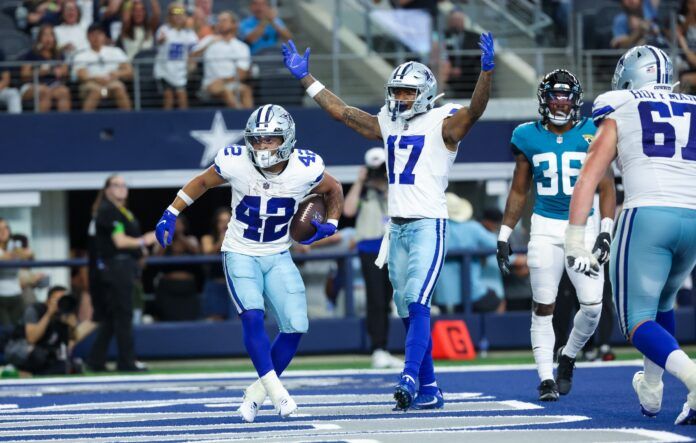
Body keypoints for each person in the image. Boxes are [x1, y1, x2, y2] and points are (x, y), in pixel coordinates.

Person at [282, 32, 495, 410]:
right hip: (394, 228)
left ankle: (409, 378)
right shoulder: (390, 122)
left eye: (407, 93)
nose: (400, 99)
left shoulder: (443, 121)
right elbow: (343, 113)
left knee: (417, 302)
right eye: (396, 92)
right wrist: (306, 79)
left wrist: (486, 72)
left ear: (425, 93)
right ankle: (429, 388)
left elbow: (475, 111)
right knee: (406, 308)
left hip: (429, 223)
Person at [154, 104, 344, 421]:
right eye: (256, 139)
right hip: (240, 251)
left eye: (269, 140)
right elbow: (201, 182)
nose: (261, 146)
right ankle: (279, 394)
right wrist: (171, 212)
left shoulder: (306, 167)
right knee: (252, 317)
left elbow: (333, 188)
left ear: (286, 139)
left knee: (296, 325)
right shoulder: (237, 162)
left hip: (278, 252)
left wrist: (333, 222)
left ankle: (255, 395)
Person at [564, 45, 696, 425]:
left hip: (648, 214)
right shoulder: (691, 104)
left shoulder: (620, 103)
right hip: (691, 216)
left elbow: (589, 176)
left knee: (635, 321)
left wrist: (575, 238)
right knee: (664, 304)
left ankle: (692, 379)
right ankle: (652, 392)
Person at [496, 69, 616, 401]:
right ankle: (546, 378)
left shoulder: (594, 130)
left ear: (576, 101)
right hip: (546, 229)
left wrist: (606, 232)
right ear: (544, 100)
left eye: (566, 98)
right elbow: (519, 191)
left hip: (585, 228)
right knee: (543, 305)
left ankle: (568, 355)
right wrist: (505, 234)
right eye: (554, 97)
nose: (560, 104)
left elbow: (607, 187)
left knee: (592, 307)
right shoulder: (526, 135)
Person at [87, 174, 156, 372]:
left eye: (124, 185)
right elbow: (119, 241)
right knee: (123, 314)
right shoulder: (108, 210)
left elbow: (128, 240)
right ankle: (126, 361)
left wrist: (139, 250)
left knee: (112, 316)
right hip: (115, 268)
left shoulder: (122, 211)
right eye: (116, 185)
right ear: (107, 189)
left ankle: (95, 360)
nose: (121, 188)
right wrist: (144, 241)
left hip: (123, 266)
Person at [343, 147, 400, 369]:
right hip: (369, 248)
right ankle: (378, 347)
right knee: (375, 299)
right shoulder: (363, 191)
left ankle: (385, 347)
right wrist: (360, 182)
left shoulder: (393, 188)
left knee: (389, 299)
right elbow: (347, 211)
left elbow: (401, 209)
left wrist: (388, 183)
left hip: (392, 247)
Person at [433, 196, 504, 314]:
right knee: (498, 301)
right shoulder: (472, 228)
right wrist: (521, 260)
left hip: (442, 297)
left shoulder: (434, 229)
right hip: (473, 294)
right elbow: (501, 248)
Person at [3, 286, 84, 375]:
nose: (61, 303)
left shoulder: (63, 315)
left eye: (63, 300)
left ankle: (31, 374)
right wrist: (49, 314)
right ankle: (17, 370)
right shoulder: (35, 310)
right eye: (58, 300)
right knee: (38, 355)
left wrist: (72, 327)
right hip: (20, 348)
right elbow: (32, 338)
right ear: (48, 300)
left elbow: (70, 345)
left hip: (45, 352)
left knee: (65, 365)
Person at [192, 11, 253, 109]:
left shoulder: (242, 47)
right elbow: (192, 56)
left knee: (246, 90)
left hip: (230, 83)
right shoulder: (209, 40)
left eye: (224, 20)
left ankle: (249, 121)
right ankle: (243, 119)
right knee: (225, 91)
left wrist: (224, 80)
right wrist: (209, 44)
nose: (220, 23)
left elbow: (242, 74)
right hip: (210, 84)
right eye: (218, 21)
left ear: (234, 24)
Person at [73, 24, 133, 111]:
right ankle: (85, 122)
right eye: (93, 35)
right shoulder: (81, 55)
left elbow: (129, 70)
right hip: (91, 84)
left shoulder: (116, 51)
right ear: (87, 37)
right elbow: (82, 76)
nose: (96, 37)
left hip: (112, 82)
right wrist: (95, 79)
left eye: (99, 34)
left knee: (118, 88)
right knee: (96, 91)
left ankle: (129, 120)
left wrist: (117, 74)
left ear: (104, 36)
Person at [154, 2, 198, 110]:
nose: (178, 16)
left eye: (181, 13)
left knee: (182, 96)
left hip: (180, 71)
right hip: (165, 71)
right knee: (168, 97)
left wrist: (192, 64)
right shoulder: (164, 30)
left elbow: (194, 51)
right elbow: (159, 41)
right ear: (169, 16)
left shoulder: (189, 33)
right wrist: (161, 40)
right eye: (175, 13)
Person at [20, 24, 72, 112]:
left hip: (54, 86)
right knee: (45, 91)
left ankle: (64, 124)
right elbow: (24, 75)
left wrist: (62, 72)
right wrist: (41, 72)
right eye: (45, 35)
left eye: (51, 35)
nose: (48, 38)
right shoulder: (32, 54)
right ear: (39, 38)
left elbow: (65, 72)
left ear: (54, 38)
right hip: (32, 86)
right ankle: (40, 124)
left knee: (64, 91)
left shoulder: (59, 55)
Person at [201, 208, 233, 320]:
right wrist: (221, 240)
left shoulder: (239, 239)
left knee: (237, 323)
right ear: (216, 223)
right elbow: (208, 253)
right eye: (221, 221)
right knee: (215, 320)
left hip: (235, 286)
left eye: (228, 221)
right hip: (216, 285)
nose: (225, 224)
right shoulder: (208, 238)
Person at [0, 219, 32, 328]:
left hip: (16, 294)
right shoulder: (13, 250)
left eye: (5, 228)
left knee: (17, 330)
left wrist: (17, 253)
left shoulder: (14, 246)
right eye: (0, 229)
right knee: (6, 331)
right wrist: (12, 255)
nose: (3, 231)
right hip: (1, 296)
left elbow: (29, 254)